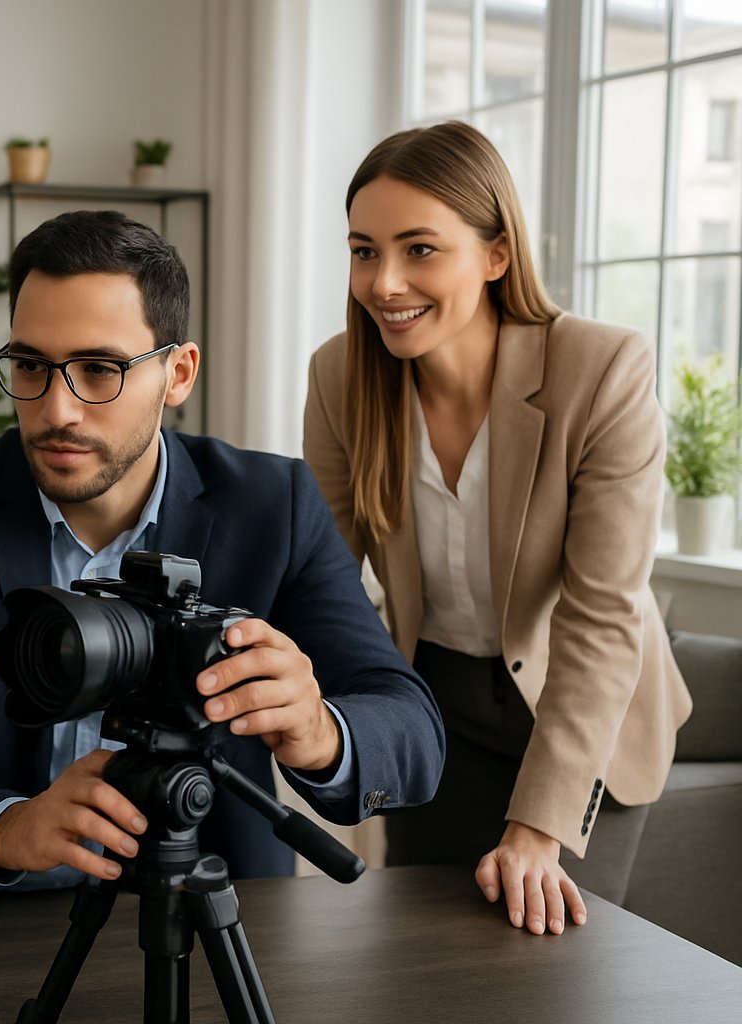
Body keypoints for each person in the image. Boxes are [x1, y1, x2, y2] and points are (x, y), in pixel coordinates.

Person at [0, 210, 444, 926]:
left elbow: (411, 731)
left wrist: (319, 730)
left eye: (99, 370)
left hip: (204, 933)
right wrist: (6, 830)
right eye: (30, 366)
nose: (58, 410)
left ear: (179, 373)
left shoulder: (275, 505)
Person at [303, 121, 692, 938]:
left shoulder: (603, 369)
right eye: (365, 250)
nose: (384, 282)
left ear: (496, 254)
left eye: (419, 249)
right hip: (433, 703)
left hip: (582, 705)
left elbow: (602, 615)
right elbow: (323, 579)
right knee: (417, 958)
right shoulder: (340, 376)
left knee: (549, 966)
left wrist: (537, 828)